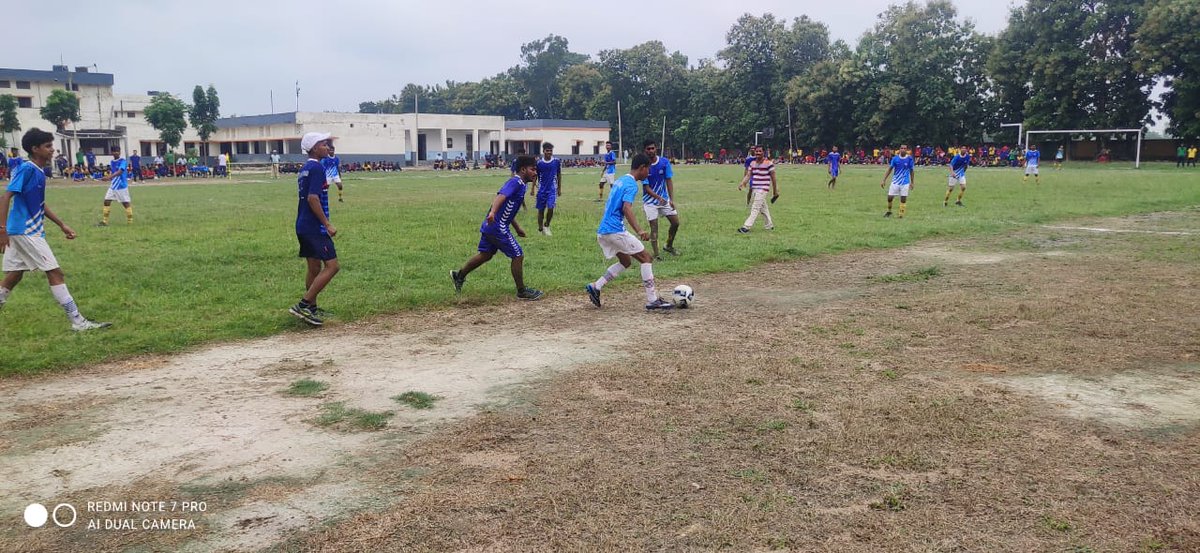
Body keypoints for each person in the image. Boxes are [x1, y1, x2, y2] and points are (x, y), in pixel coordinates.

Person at [0, 128, 110, 331]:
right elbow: (5, 197)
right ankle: (78, 322)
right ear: (35, 149)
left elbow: (40, 204)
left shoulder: (38, 171)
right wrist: (1, 230)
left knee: (14, 274)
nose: (52, 150)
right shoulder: (28, 169)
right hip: (26, 231)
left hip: (22, 230)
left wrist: (61, 225)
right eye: (48, 146)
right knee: (55, 272)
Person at [584, 153, 673, 311]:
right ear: (642, 168)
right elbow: (626, 208)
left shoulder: (620, 180)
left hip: (603, 230)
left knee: (626, 262)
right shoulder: (631, 184)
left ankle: (596, 286)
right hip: (614, 230)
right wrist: (639, 230)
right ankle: (653, 300)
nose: (649, 174)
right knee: (646, 257)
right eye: (648, 170)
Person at [450, 155, 544, 301]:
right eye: (532, 169)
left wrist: (518, 228)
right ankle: (522, 291)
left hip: (491, 226)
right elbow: (501, 196)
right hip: (496, 226)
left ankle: (459, 275)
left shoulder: (521, 184)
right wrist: (493, 212)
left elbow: (507, 208)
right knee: (518, 255)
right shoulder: (516, 182)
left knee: (486, 254)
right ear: (523, 169)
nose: (535, 172)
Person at [289, 132, 340, 327]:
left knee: (314, 267)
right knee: (333, 266)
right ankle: (303, 304)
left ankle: (311, 308)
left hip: (302, 224)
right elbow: (312, 198)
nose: (327, 147)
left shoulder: (305, 169)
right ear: (314, 148)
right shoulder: (317, 168)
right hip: (314, 227)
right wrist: (326, 224)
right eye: (323, 144)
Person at [641, 139, 681, 256]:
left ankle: (668, 245)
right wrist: (658, 197)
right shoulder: (643, 166)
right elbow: (646, 188)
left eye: (652, 148)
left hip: (664, 200)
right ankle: (656, 254)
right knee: (654, 228)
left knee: (675, 223)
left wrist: (671, 199)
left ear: (656, 149)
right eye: (648, 149)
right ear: (645, 150)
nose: (651, 151)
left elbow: (668, 180)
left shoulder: (664, 162)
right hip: (650, 202)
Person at [737, 145, 779, 232]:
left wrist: (775, 191)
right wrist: (743, 183)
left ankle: (746, 227)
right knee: (763, 208)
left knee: (755, 207)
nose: (758, 153)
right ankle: (769, 225)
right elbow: (748, 175)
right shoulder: (752, 163)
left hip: (763, 189)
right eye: (757, 151)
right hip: (755, 188)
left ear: (764, 152)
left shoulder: (769, 163)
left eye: (760, 151)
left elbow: (774, 179)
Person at [98, 147, 133, 226]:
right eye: (114, 151)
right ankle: (104, 221)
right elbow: (114, 173)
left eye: (117, 151)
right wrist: (109, 178)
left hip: (121, 186)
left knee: (125, 203)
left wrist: (109, 177)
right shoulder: (112, 162)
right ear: (112, 152)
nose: (116, 153)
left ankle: (130, 221)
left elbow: (120, 171)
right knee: (106, 201)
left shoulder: (123, 161)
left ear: (120, 152)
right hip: (113, 185)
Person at [532, 143, 561, 235]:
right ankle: (540, 229)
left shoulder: (556, 161)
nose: (549, 152)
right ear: (543, 151)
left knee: (551, 208)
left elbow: (559, 175)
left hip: (552, 189)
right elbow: (535, 176)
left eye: (551, 151)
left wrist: (559, 188)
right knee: (541, 210)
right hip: (541, 190)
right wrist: (532, 188)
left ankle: (547, 225)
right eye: (547, 150)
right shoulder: (539, 163)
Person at [880, 144, 915, 218]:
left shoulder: (909, 159)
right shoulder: (895, 158)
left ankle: (901, 215)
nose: (903, 149)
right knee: (889, 197)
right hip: (895, 182)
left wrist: (912, 182)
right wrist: (884, 180)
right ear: (899, 149)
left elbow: (912, 171)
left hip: (905, 182)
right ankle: (889, 211)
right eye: (901, 148)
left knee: (903, 199)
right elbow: (890, 169)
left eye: (904, 148)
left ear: (907, 150)